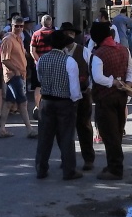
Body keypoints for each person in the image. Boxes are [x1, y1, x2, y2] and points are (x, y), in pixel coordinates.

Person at [90, 21, 132, 180]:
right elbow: (131, 71)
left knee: (110, 135)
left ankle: (115, 169)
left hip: (105, 98)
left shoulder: (98, 54)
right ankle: (112, 164)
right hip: (121, 98)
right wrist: (128, 83)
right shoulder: (124, 50)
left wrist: (113, 82)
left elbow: (97, 77)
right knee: (116, 132)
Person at [34, 30, 83, 180]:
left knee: (44, 136)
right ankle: (69, 171)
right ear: (65, 46)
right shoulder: (69, 61)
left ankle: (41, 169)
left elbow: (40, 78)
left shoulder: (42, 60)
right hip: (64, 102)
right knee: (67, 136)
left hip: (47, 101)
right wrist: (76, 101)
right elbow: (74, 88)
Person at [61, 22, 94, 171]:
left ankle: (88, 159)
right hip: (64, 96)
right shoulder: (59, 52)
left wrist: (90, 88)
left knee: (84, 127)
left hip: (83, 94)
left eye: (71, 33)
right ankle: (66, 159)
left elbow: (92, 71)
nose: (68, 36)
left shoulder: (84, 51)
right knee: (65, 129)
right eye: (66, 33)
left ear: (74, 36)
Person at [0, 16, 37, 139]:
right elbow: (4, 59)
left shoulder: (18, 38)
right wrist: (16, 70)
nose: (19, 28)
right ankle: (30, 129)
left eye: (21, 26)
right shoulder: (8, 40)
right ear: (11, 25)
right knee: (23, 103)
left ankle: (2, 129)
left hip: (18, 74)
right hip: (14, 75)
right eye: (16, 26)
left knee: (9, 103)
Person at [30, 14, 56, 117]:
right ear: (51, 23)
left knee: (38, 86)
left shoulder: (36, 34)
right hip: (53, 63)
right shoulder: (54, 34)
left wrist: (38, 61)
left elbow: (32, 51)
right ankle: (51, 106)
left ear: (41, 23)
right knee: (52, 85)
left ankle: (37, 106)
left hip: (39, 63)